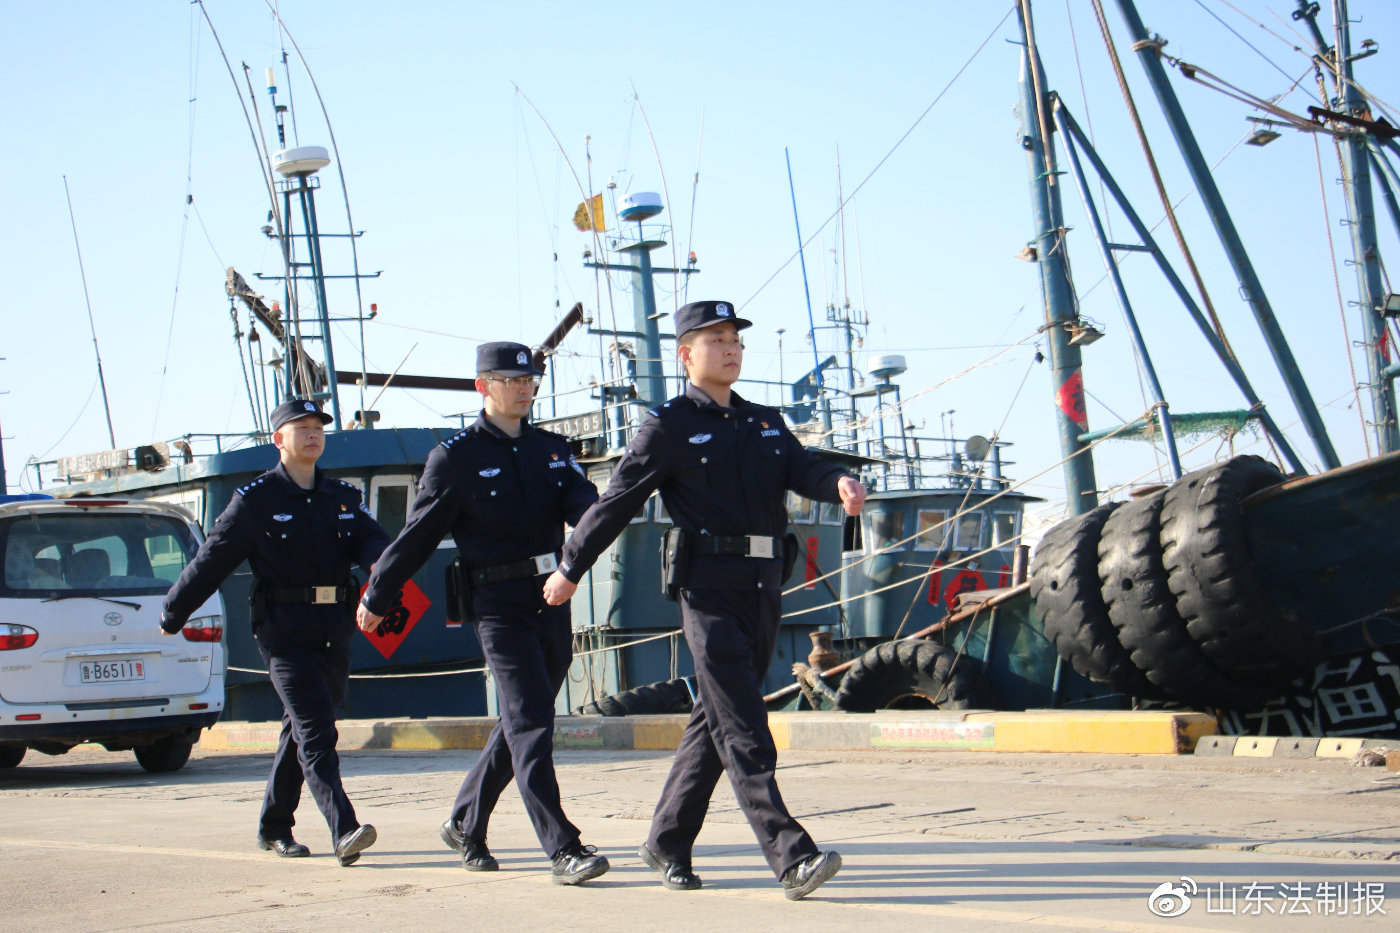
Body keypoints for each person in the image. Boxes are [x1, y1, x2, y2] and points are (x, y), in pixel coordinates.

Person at [543, 300, 867, 900]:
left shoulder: (765, 422)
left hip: (765, 585)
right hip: (708, 588)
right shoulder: (667, 426)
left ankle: (666, 840)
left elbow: (805, 468)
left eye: (735, 339)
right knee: (744, 721)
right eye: (715, 340)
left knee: (713, 719)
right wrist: (571, 567)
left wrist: (839, 482)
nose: (731, 349)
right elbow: (616, 502)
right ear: (686, 354)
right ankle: (791, 855)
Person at [355, 341, 608, 885]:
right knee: (533, 720)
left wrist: (605, 521)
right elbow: (416, 537)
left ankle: (466, 821)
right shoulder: (456, 457)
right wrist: (378, 594)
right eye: (510, 380)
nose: (523, 388)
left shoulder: (552, 450)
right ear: (482, 387)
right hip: (496, 604)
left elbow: (585, 509)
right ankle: (562, 846)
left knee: (522, 719)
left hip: (550, 595)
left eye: (529, 380)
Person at [161, 398, 390, 866]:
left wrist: (385, 581)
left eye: (318, 427)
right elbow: (212, 560)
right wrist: (174, 611)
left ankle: (273, 826)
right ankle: (344, 827)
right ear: (278, 439)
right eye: (300, 427)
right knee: (316, 731)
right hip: (284, 633)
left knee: (299, 732)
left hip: (334, 629)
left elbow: (375, 546)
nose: (312, 434)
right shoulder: (256, 500)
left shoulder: (343, 498)